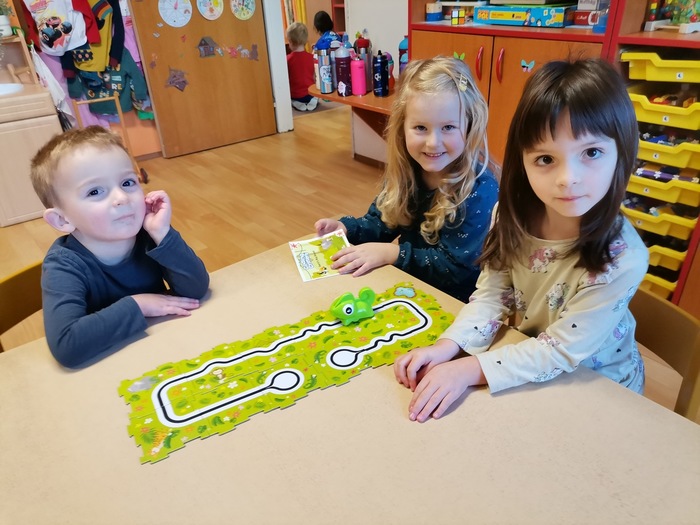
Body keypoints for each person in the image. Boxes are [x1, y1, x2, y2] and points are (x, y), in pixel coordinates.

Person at [394, 58, 648, 423]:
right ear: (523, 160)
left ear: (622, 152)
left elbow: (560, 351)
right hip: (528, 358)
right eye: (545, 158)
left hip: (600, 386)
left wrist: (468, 370)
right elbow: (492, 295)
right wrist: (447, 347)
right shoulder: (509, 215)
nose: (568, 178)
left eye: (591, 152)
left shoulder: (624, 258)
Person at [315, 56, 498, 302]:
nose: (433, 143)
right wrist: (347, 229)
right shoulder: (407, 172)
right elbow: (381, 223)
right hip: (407, 290)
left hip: (455, 306)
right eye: (420, 128)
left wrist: (393, 254)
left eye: (448, 127)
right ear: (403, 127)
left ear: (469, 126)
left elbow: (456, 270)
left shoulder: (480, 189)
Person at [30, 126, 210, 368]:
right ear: (62, 220)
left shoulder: (148, 233)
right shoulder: (63, 266)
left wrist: (162, 233)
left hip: (164, 350)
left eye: (127, 182)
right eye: (95, 191)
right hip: (107, 366)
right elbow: (67, 346)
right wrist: (139, 305)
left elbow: (196, 289)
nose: (122, 198)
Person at [285, 21, 318, 112]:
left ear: (290, 42)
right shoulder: (312, 58)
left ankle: (296, 102)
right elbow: (315, 77)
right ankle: (313, 100)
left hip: (296, 95)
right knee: (315, 93)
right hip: (311, 93)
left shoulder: (287, 59)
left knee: (292, 97)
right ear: (306, 41)